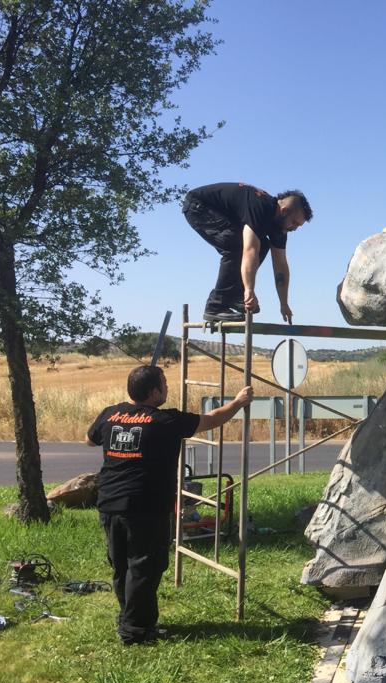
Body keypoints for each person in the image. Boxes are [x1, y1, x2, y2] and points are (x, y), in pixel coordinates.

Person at [86, 365, 253, 645]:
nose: (167, 387)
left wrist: (122, 426)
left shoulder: (109, 413)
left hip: (110, 503)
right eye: (163, 383)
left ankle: (128, 617)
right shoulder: (165, 421)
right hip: (145, 506)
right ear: (153, 392)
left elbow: (89, 440)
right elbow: (212, 419)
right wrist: (238, 402)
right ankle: (136, 631)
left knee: (122, 565)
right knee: (144, 567)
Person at [182, 182, 313, 322]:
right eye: (294, 223)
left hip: (223, 214)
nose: (294, 228)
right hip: (199, 207)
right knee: (237, 246)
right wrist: (249, 289)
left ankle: (235, 296)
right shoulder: (260, 207)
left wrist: (284, 303)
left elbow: (281, 266)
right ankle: (216, 307)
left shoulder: (279, 228)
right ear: (284, 211)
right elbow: (250, 251)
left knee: (263, 245)